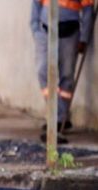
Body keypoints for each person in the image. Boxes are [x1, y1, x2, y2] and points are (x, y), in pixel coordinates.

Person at [31, 0, 94, 144]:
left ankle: (59, 120)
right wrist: (35, 29)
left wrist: (84, 38)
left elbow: (88, 10)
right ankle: (57, 116)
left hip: (70, 33)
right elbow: (35, 4)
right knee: (43, 71)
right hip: (45, 31)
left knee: (67, 76)